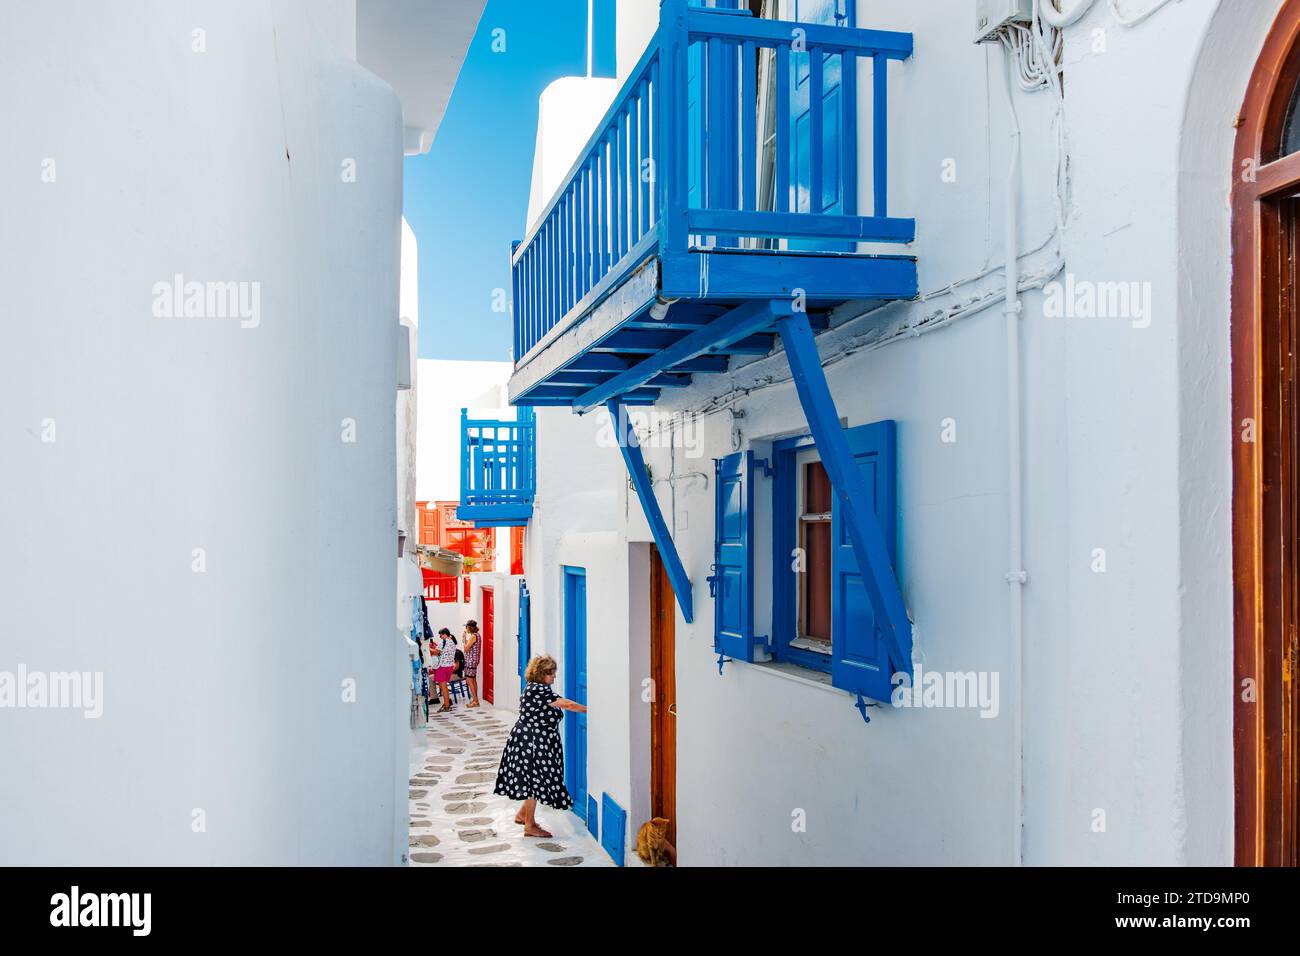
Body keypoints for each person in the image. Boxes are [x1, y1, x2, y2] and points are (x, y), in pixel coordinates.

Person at [493, 654, 586, 838]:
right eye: (551, 673)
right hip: (533, 741)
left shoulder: (533, 688)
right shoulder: (540, 690)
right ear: (541, 674)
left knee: (533, 777)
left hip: (529, 739)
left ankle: (522, 814)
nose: (554, 677)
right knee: (534, 780)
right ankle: (530, 825)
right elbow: (566, 704)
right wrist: (592, 709)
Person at [433, 628, 457, 713]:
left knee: (443, 686)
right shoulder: (453, 642)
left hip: (442, 666)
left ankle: (447, 705)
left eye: (440, 635)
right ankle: (448, 701)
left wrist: (425, 649)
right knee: (443, 685)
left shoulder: (443, 642)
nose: (440, 637)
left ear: (445, 634)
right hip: (449, 666)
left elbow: (435, 652)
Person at [461, 620, 482, 708]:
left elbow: (466, 649)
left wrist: (464, 639)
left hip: (471, 661)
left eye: (466, 627)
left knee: (470, 681)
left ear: (469, 627)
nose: (466, 629)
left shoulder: (473, 636)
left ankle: (475, 701)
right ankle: (475, 700)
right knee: (473, 680)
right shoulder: (478, 635)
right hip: (473, 661)